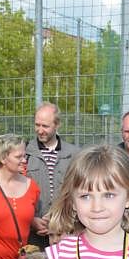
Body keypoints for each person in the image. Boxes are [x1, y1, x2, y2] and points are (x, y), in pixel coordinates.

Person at [25, 102, 79, 245]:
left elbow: (79, 191)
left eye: (45, 126)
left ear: (57, 125)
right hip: (32, 236)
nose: (40, 130)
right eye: (37, 125)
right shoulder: (25, 153)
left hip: (64, 233)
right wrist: (31, 220)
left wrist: (63, 220)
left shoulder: (73, 154)